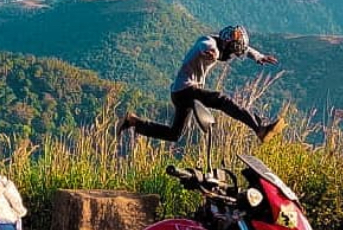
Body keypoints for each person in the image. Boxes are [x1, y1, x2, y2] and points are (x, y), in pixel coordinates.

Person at [116, 24, 281, 144]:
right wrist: (211, 53)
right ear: (227, 45)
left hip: (179, 92)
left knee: (174, 134)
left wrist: (259, 56)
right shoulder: (209, 43)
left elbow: (246, 49)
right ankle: (259, 129)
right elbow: (204, 45)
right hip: (186, 90)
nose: (232, 56)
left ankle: (133, 121)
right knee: (222, 100)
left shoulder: (222, 41)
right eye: (232, 52)